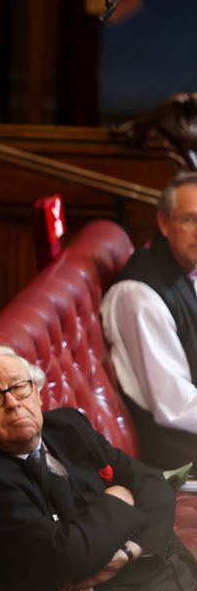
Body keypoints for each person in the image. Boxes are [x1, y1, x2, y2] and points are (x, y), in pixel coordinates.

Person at [0, 345, 197, 591]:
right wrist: (117, 500)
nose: (12, 403)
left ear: (37, 391)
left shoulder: (68, 426)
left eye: (18, 387)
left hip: (161, 572)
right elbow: (69, 555)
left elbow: (153, 485)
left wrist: (128, 552)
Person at [102, 172, 197, 475]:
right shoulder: (140, 296)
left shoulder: (184, 263)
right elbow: (174, 405)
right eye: (189, 220)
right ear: (164, 222)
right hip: (177, 452)